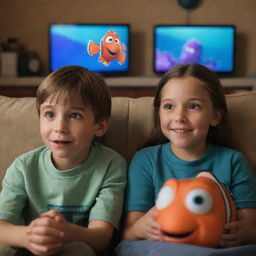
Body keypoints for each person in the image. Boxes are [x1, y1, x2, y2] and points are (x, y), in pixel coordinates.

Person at [115, 63, 256, 256]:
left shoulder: (233, 161)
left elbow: (250, 227)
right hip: (162, 248)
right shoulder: (146, 160)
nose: (179, 116)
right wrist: (140, 229)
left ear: (215, 116)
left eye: (193, 106)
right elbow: (128, 234)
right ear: (158, 112)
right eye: (169, 106)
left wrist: (245, 233)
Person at [0, 65, 127, 256]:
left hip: (78, 247)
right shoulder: (23, 167)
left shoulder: (111, 164)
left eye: (74, 116)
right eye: (50, 114)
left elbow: (101, 238)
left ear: (100, 126)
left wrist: (65, 232)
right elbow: (2, 226)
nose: (60, 127)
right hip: (29, 247)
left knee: (80, 250)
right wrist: (30, 236)